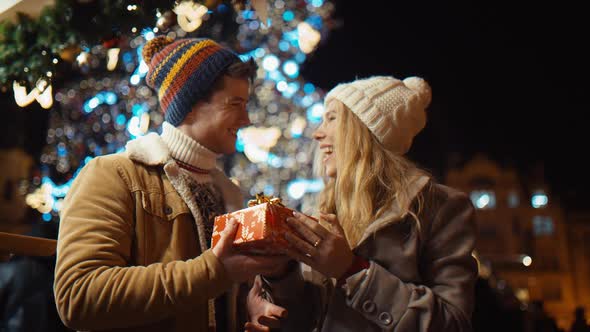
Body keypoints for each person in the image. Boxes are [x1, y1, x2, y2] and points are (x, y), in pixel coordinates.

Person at [53, 36, 288, 332]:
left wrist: (246, 307)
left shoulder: (227, 193)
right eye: (235, 104)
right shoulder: (113, 175)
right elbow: (79, 298)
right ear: (189, 106)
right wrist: (212, 271)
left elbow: (209, 300)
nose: (246, 119)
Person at [245, 76, 478, 331]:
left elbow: (452, 323)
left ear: (365, 130)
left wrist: (353, 270)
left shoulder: (441, 207)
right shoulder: (327, 207)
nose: (317, 133)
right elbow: (315, 318)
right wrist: (281, 277)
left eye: (332, 118)